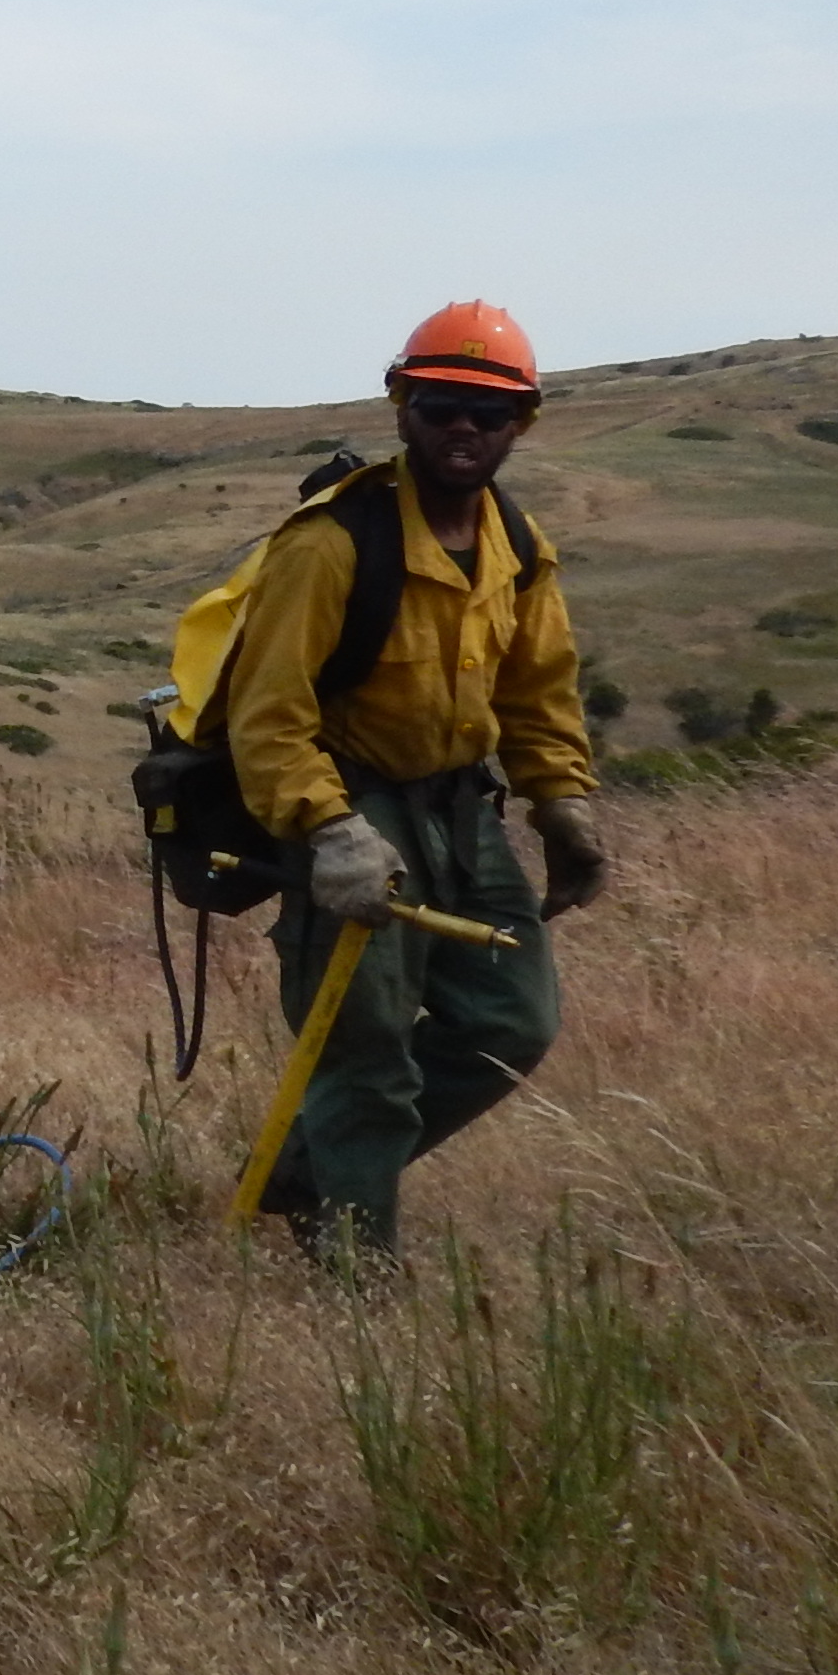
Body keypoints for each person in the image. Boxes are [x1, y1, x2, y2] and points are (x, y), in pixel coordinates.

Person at [221, 301, 607, 1254]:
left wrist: (561, 804)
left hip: (462, 810)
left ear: (524, 421)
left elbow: (540, 690)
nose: (463, 427)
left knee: (514, 1025)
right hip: (354, 806)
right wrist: (328, 830)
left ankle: (310, 1171)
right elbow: (267, 715)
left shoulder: (520, 547)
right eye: (441, 406)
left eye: (489, 410)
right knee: (367, 1055)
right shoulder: (331, 542)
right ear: (402, 408)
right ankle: (352, 1279)